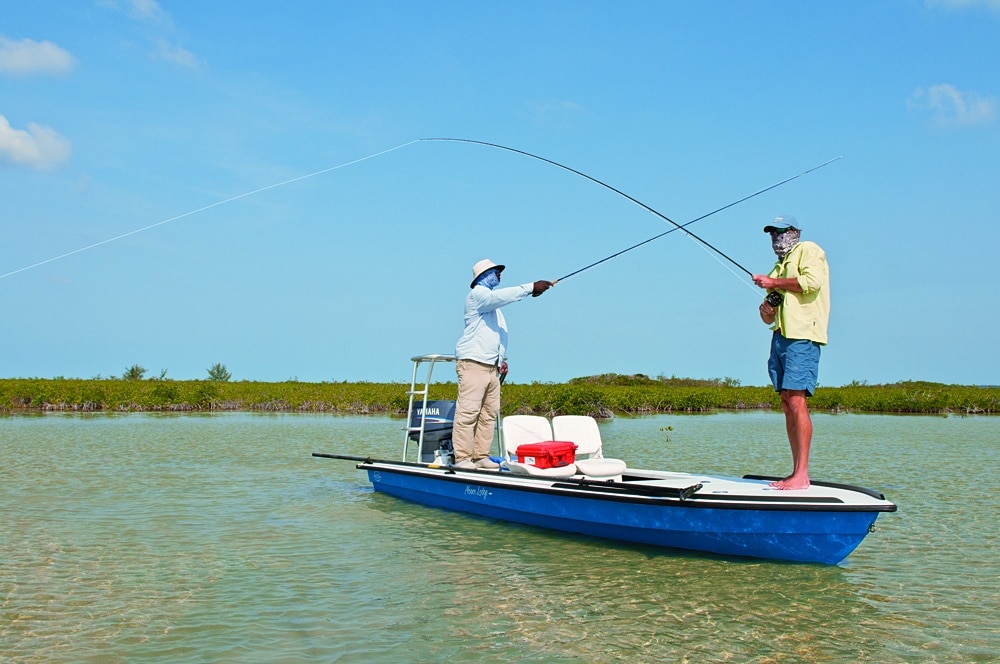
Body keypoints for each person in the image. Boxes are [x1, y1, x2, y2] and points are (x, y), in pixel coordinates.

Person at [751, 216, 830, 490]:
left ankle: (802, 474)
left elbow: (811, 283)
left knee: (797, 401)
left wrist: (773, 283)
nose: (777, 238)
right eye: (772, 233)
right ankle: (795, 471)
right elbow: (768, 316)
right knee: (786, 401)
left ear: (795, 233)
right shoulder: (777, 268)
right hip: (780, 336)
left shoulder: (809, 250)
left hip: (803, 336)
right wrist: (766, 310)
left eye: (782, 232)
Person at [452, 259, 552, 469]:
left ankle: (480, 456)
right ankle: (462, 458)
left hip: (491, 367)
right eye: (496, 271)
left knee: (489, 414)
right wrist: (530, 287)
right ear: (483, 275)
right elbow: (501, 296)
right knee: (468, 413)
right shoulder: (478, 295)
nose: (499, 274)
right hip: (473, 364)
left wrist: (501, 359)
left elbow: (497, 334)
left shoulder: (494, 308)